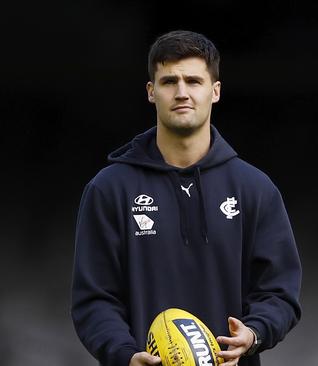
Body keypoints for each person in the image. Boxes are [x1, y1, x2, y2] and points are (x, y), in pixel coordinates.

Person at [71, 30, 302, 366]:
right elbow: (93, 299)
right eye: (169, 82)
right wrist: (124, 355)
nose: (181, 93)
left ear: (215, 91)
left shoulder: (255, 189)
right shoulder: (109, 190)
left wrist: (252, 334)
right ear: (152, 92)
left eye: (193, 81)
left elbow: (279, 292)